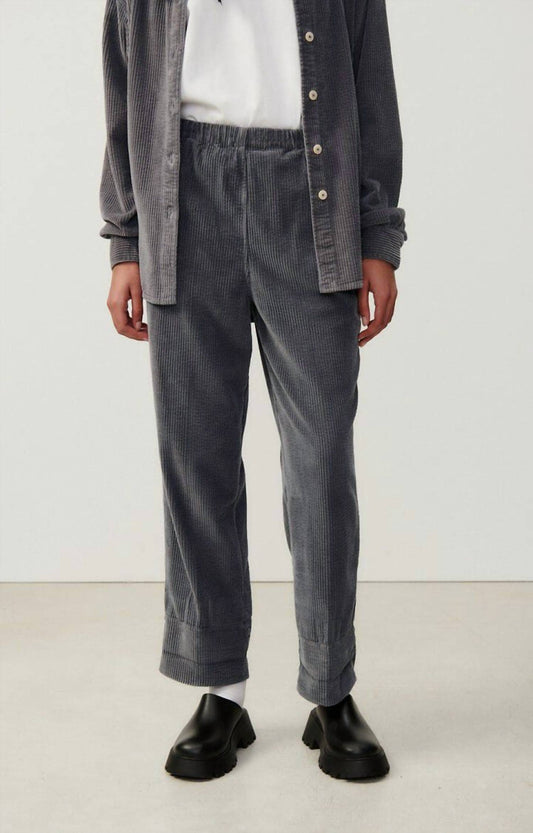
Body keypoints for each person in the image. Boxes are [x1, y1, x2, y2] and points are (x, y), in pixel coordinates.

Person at [99, 0, 407, 781]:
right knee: (196, 456)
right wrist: (127, 238)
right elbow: (124, 85)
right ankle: (220, 689)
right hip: (181, 196)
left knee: (320, 459)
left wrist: (378, 234)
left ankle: (330, 688)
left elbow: (370, 82)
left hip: (310, 195)